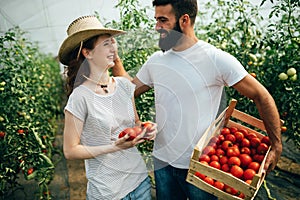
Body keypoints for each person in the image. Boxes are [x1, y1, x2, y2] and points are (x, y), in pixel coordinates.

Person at [112, 0, 283, 199]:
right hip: (162, 162)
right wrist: (115, 60)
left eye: (162, 20)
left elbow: (261, 96)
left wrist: (277, 145)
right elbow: (129, 90)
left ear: (184, 20)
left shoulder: (216, 59)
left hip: (201, 168)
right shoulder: (156, 61)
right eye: (156, 20)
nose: (156, 27)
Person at [58, 15, 157, 200]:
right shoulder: (80, 97)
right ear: (87, 53)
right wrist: (114, 147)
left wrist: (146, 130)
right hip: (107, 192)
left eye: (113, 42)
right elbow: (70, 151)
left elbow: (135, 122)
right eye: (106, 44)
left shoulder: (124, 86)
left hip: (140, 182)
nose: (114, 48)